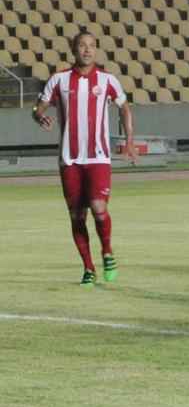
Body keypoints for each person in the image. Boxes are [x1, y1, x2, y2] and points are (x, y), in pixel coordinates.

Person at [32, 30, 138, 286]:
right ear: (73, 49)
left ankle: (107, 251)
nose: (87, 50)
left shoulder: (107, 80)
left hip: (98, 156)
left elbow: (124, 107)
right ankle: (88, 268)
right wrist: (38, 115)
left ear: (96, 50)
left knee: (99, 208)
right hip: (69, 159)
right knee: (77, 216)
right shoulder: (59, 80)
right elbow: (40, 106)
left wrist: (129, 141)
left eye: (91, 46)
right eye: (82, 45)